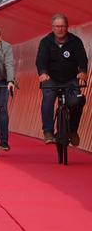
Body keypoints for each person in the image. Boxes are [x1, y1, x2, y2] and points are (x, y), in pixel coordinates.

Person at [36, 13, 88, 146]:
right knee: (47, 98)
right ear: (52, 27)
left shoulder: (75, 41)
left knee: (77, 101)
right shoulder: (45, 42)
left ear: (67, 27)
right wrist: (42, 73)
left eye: (62, 26)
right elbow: (40, 60)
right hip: (51, 79)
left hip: (71, 79)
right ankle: (48, 131)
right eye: (57, 26)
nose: (60, 29)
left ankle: (72, 131)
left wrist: (82, 71)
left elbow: (82, 59)